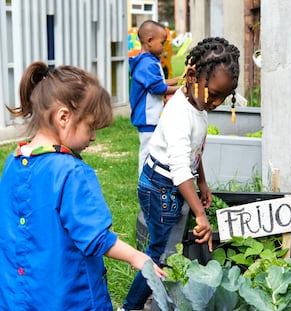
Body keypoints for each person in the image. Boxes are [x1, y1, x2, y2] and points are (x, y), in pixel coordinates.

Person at [0, 61, 166, 311]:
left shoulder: (13, 162)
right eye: (90, 127)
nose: (93, 137)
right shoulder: (72, 171)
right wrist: (137, 256)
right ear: (64, 117)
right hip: (70, 299)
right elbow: (95, 238)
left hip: (19, 299)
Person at [120, 37, 240, 311]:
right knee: (159, 251)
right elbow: (178, 168)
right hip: (160, 186)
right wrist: (200, 213)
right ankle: (131, 306)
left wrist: (203, 182)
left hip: (175, 185)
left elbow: (194, 152)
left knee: (170, 245)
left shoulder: (199, 106)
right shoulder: (178, 114)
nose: (217, 102)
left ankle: (159, 296)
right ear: (192, 76)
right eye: (214, 93)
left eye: (225, 96)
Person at [129, 20, 181, 175]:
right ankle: (143, 183)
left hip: (152, 116)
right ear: (150, 41)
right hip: (147, 117)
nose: (164, 47)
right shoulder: (147, 64)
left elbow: (158, 82)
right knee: (147, 152)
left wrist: (178, 79)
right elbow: (159, 88)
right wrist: (182, 88)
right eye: (163, 43)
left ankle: (151, 180)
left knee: (154, 149)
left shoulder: (149, 61)